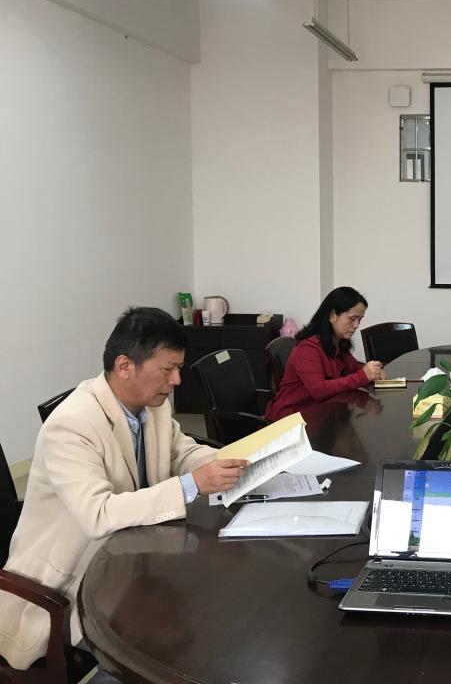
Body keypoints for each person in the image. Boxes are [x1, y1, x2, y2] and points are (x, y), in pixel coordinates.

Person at [0, 307, 249, 672]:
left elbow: (182, 453)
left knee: (209, 608)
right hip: (70, 579)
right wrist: (192, 484)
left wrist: (240, 460)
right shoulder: (70, 425)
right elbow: (98, 515)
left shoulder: (152, 406)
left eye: (179, 368)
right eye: (168, 369)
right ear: (124, 366)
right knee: (170, 647)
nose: (177, 380)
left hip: (133, 559)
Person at [264, 287, 385, 422]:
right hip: (292, 419)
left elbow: (353, 367)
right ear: (332, 315)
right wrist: (363, 376)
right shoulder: (307, 348)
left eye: (359, 320)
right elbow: (319, 390)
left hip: (320, 413)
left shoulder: (338, 343)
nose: (356, 325)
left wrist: (373, 371)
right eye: (352, 319)